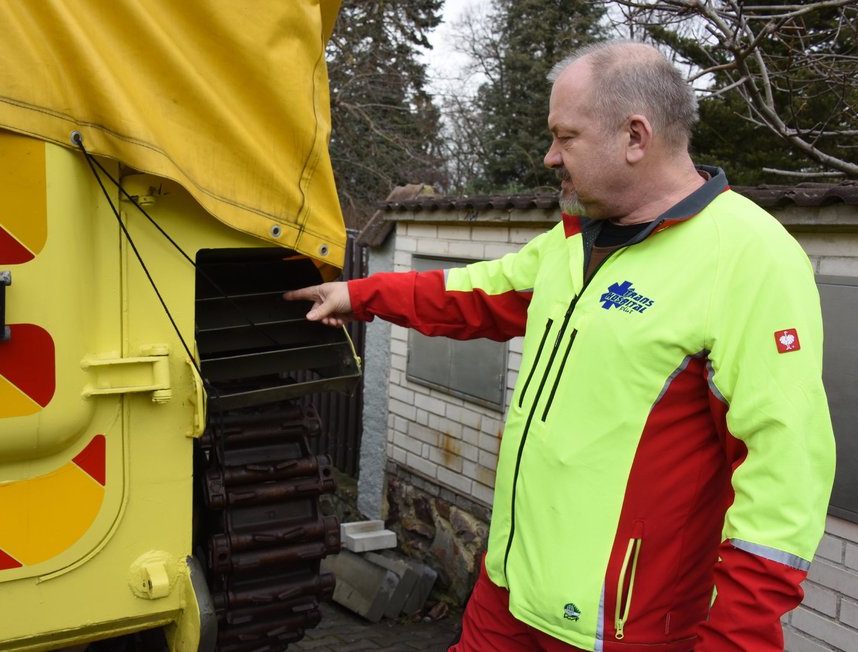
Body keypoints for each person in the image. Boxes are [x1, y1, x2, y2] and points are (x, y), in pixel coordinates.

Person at [285, 41, 835, 652]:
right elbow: (474, 293)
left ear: (634, 136)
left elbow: (786, 474)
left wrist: (735, 641)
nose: (550, 157)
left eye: (564, 136)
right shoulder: (571, 241)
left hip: (622, 629)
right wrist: (359, 295)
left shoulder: (749, 258)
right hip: (509, 592)